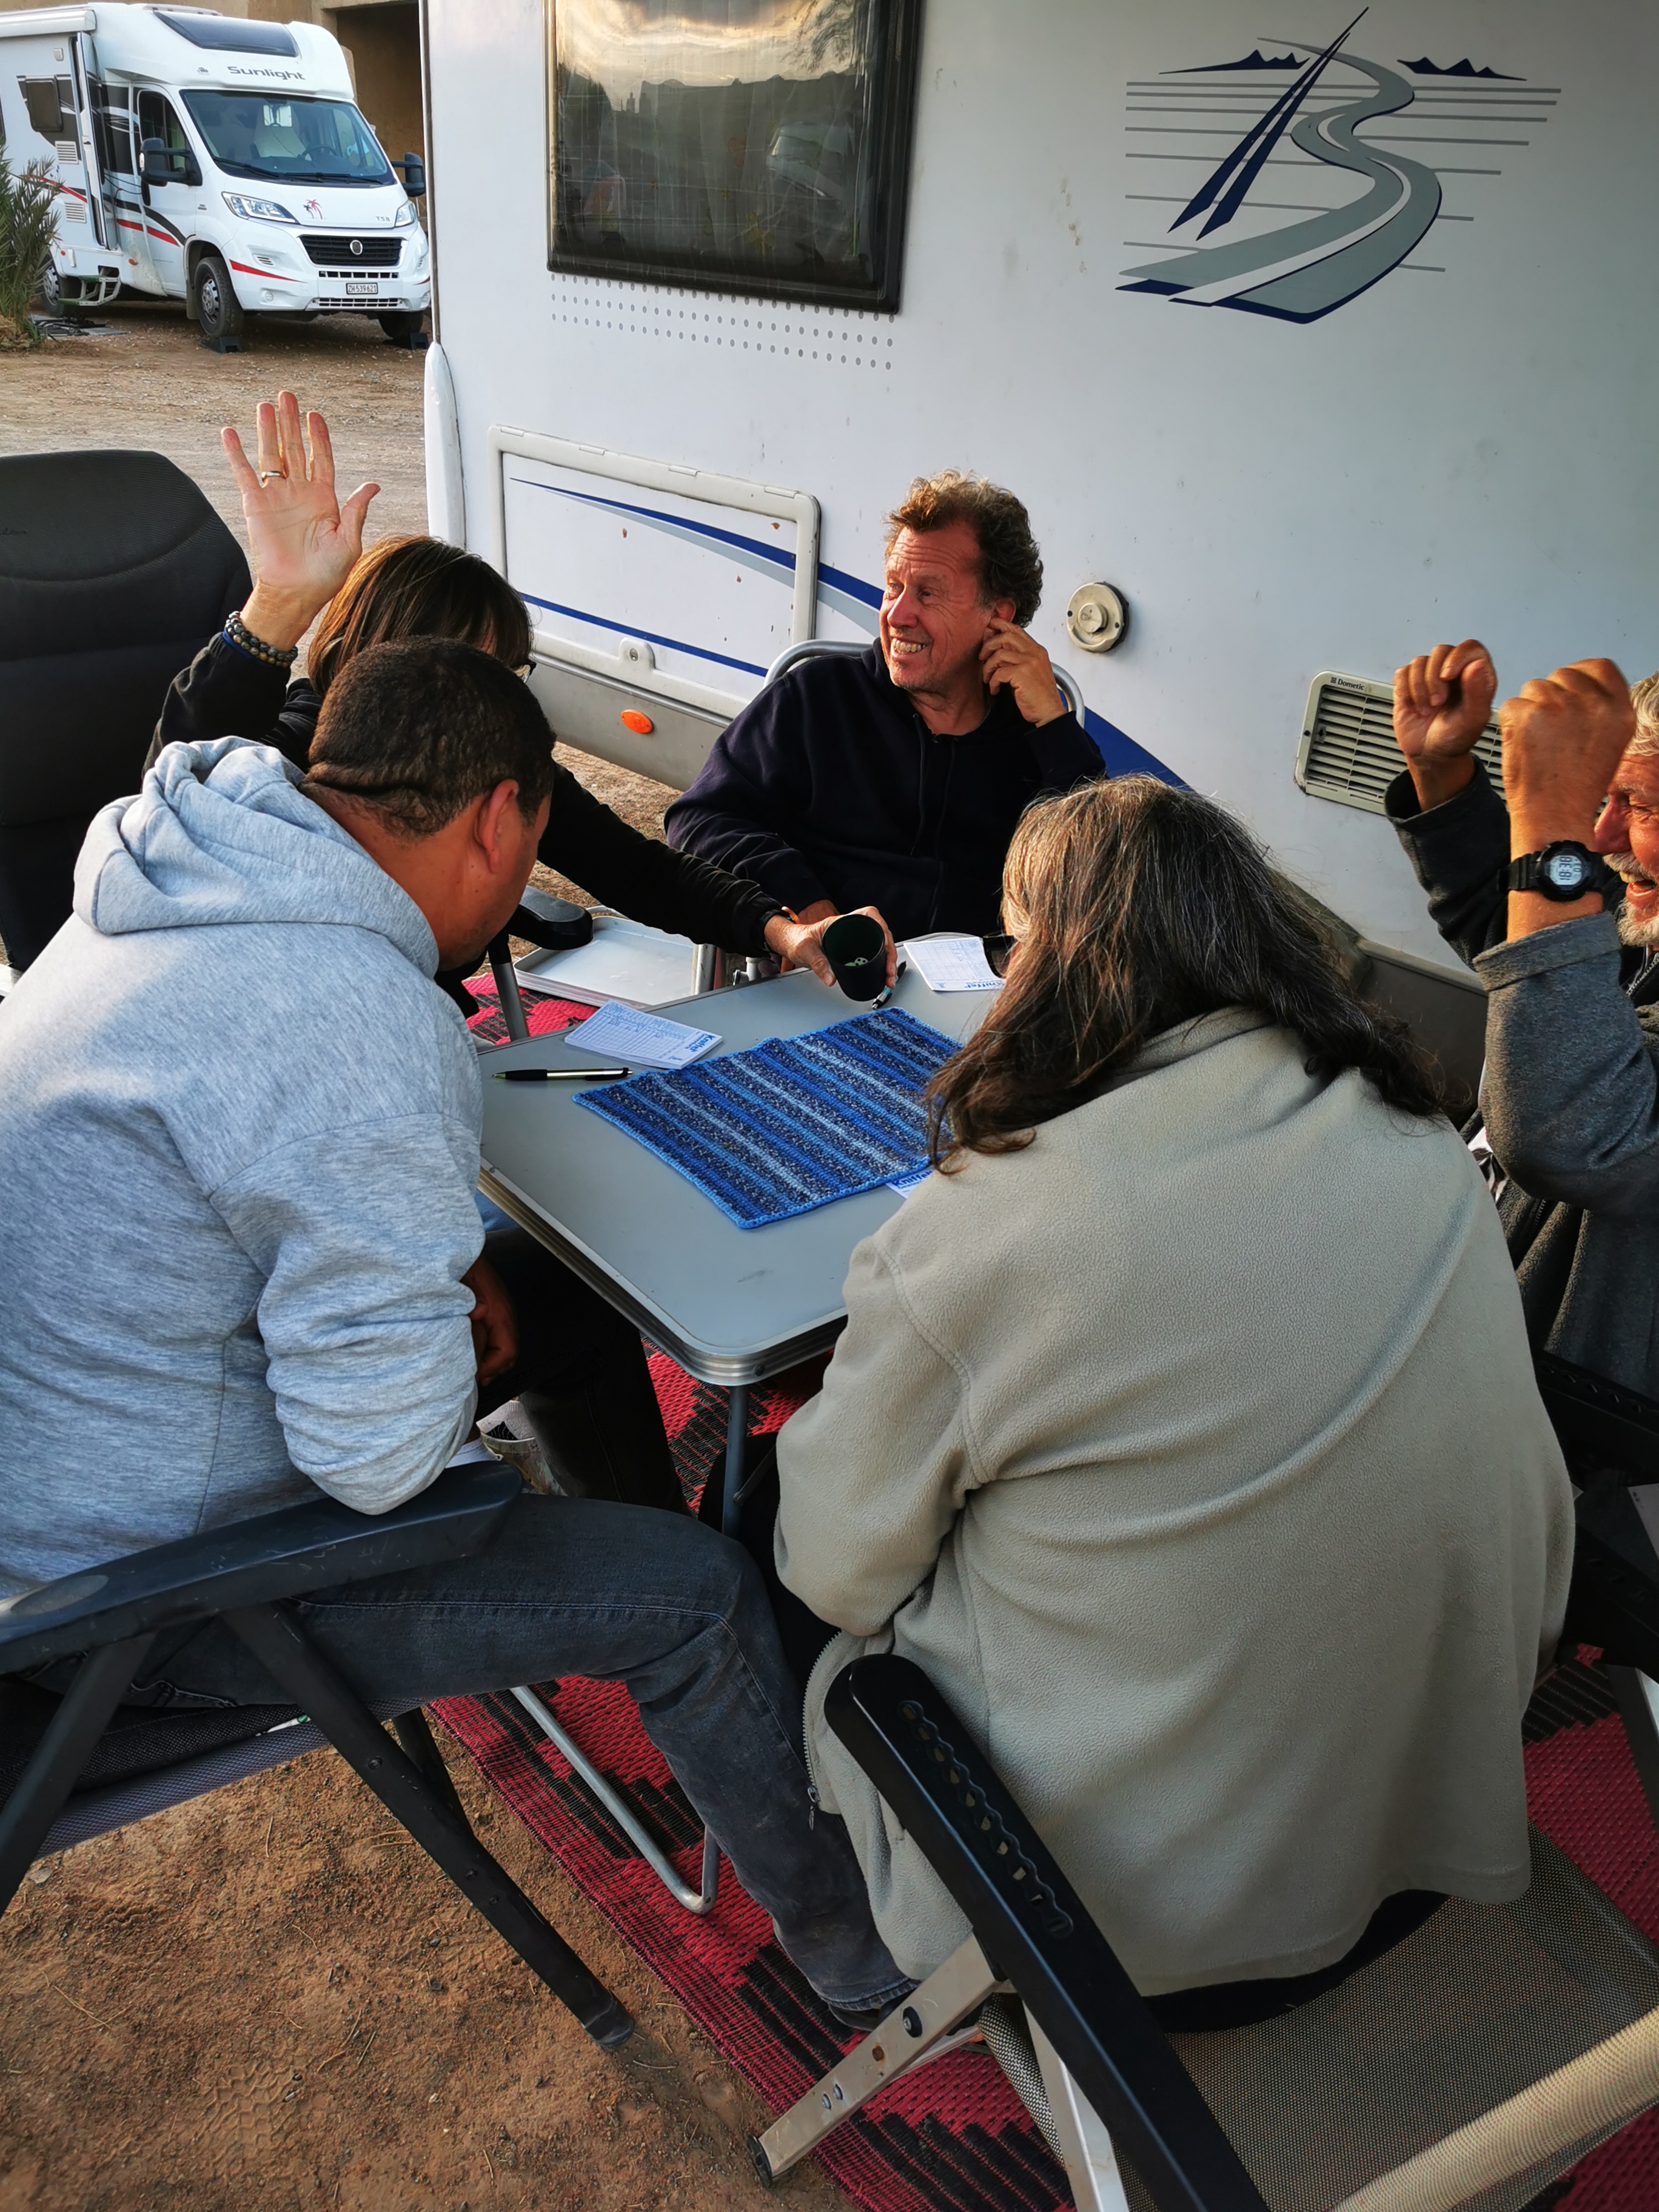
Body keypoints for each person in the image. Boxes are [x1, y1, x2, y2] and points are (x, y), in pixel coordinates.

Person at [0, 640, 905, 2025]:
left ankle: (618, 1568)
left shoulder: (172, 873)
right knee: (706, 1598)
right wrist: (431, 1331)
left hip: (68, 1463)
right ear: (497, 820)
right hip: (125, 1605)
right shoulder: (354, 1010)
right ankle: (858, 1957)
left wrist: (435, 1289)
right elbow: (378, 1464)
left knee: (558, 1294)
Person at [772, 776, 1572, 2017]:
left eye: (1011, 945)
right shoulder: (1412, 1130)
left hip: (1132, 1945)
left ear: (1051, 967)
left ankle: (844, 1949)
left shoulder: (980, 1236)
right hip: (1423, 1841)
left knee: (752, 1553)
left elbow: (834, 1578)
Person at [148, 390, 896, 999]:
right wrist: (278, 608)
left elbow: (640, 870)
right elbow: (181, 794)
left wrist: (782, 929)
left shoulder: (485, 760)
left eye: (507, 672)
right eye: (472, 670)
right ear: (387, 656)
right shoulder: (302, 753)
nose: (495, 700)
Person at [663, 470, 1104, 942]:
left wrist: (1054, 725)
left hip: (986, 979)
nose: (896, 614)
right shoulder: (819, 699)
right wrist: (806, 906)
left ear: (998, 615)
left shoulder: (1034, 738)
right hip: (835, 971)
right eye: (893, 586)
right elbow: (701, 818)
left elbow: (1103, 876)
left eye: (928, 593)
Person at [1387, 642, 1659, 1399]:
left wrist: (1552, 829)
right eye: (1604, 801)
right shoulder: (1648, 929)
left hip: (1581, 1436)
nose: (1604, 838)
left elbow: (1571, 1126)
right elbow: (1523, 946)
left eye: (1641, 805)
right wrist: (1442, 775)